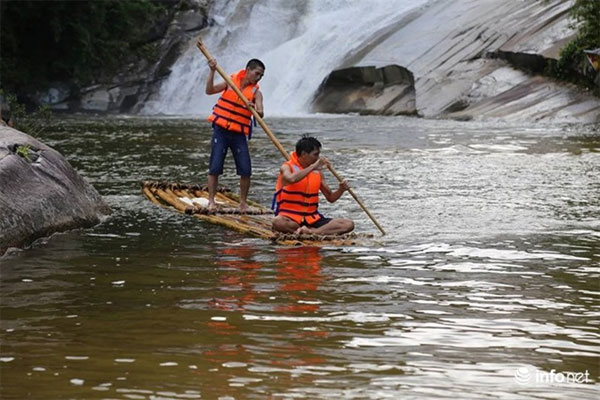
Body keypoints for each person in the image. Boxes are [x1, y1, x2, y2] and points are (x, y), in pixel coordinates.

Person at [205, 57, 265, 213]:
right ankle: (211, 201)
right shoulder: (229, 82)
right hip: (221, 130)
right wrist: (212, 71)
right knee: (215, 166)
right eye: (257, 73)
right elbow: (209, 91)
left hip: (238, 134)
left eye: (261, 76)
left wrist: (253, 108)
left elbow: (261, 113)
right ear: (248, 70)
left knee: (245, 169)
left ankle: (243, 203)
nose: (258, 78)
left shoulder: (256, 93)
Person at [272, 135, 355, 235]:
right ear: (303, 154)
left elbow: (331, 198)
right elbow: (291, 179)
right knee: (278, 222)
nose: (318, 158)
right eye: (315, 155)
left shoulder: (317, 173)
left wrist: (341, 189)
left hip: (312, 219)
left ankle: (312, 231)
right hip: (290, 217)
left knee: (348, 224)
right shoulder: (286, 167)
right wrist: (313, 167)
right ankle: (302, 229)